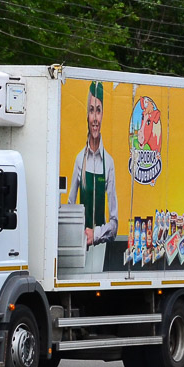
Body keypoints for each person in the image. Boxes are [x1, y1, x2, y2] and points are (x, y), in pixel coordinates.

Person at [67, 81, 119, 249]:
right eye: (91, 110)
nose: (95, 118)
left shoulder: (109, 163)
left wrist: (95, 234)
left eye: (98, 110)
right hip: (79, 246)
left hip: (102, 248)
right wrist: (78, 235)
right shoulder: (79, 160)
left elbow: (114, 223)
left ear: (102, 115)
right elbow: (70, 209)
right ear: (87, 116)